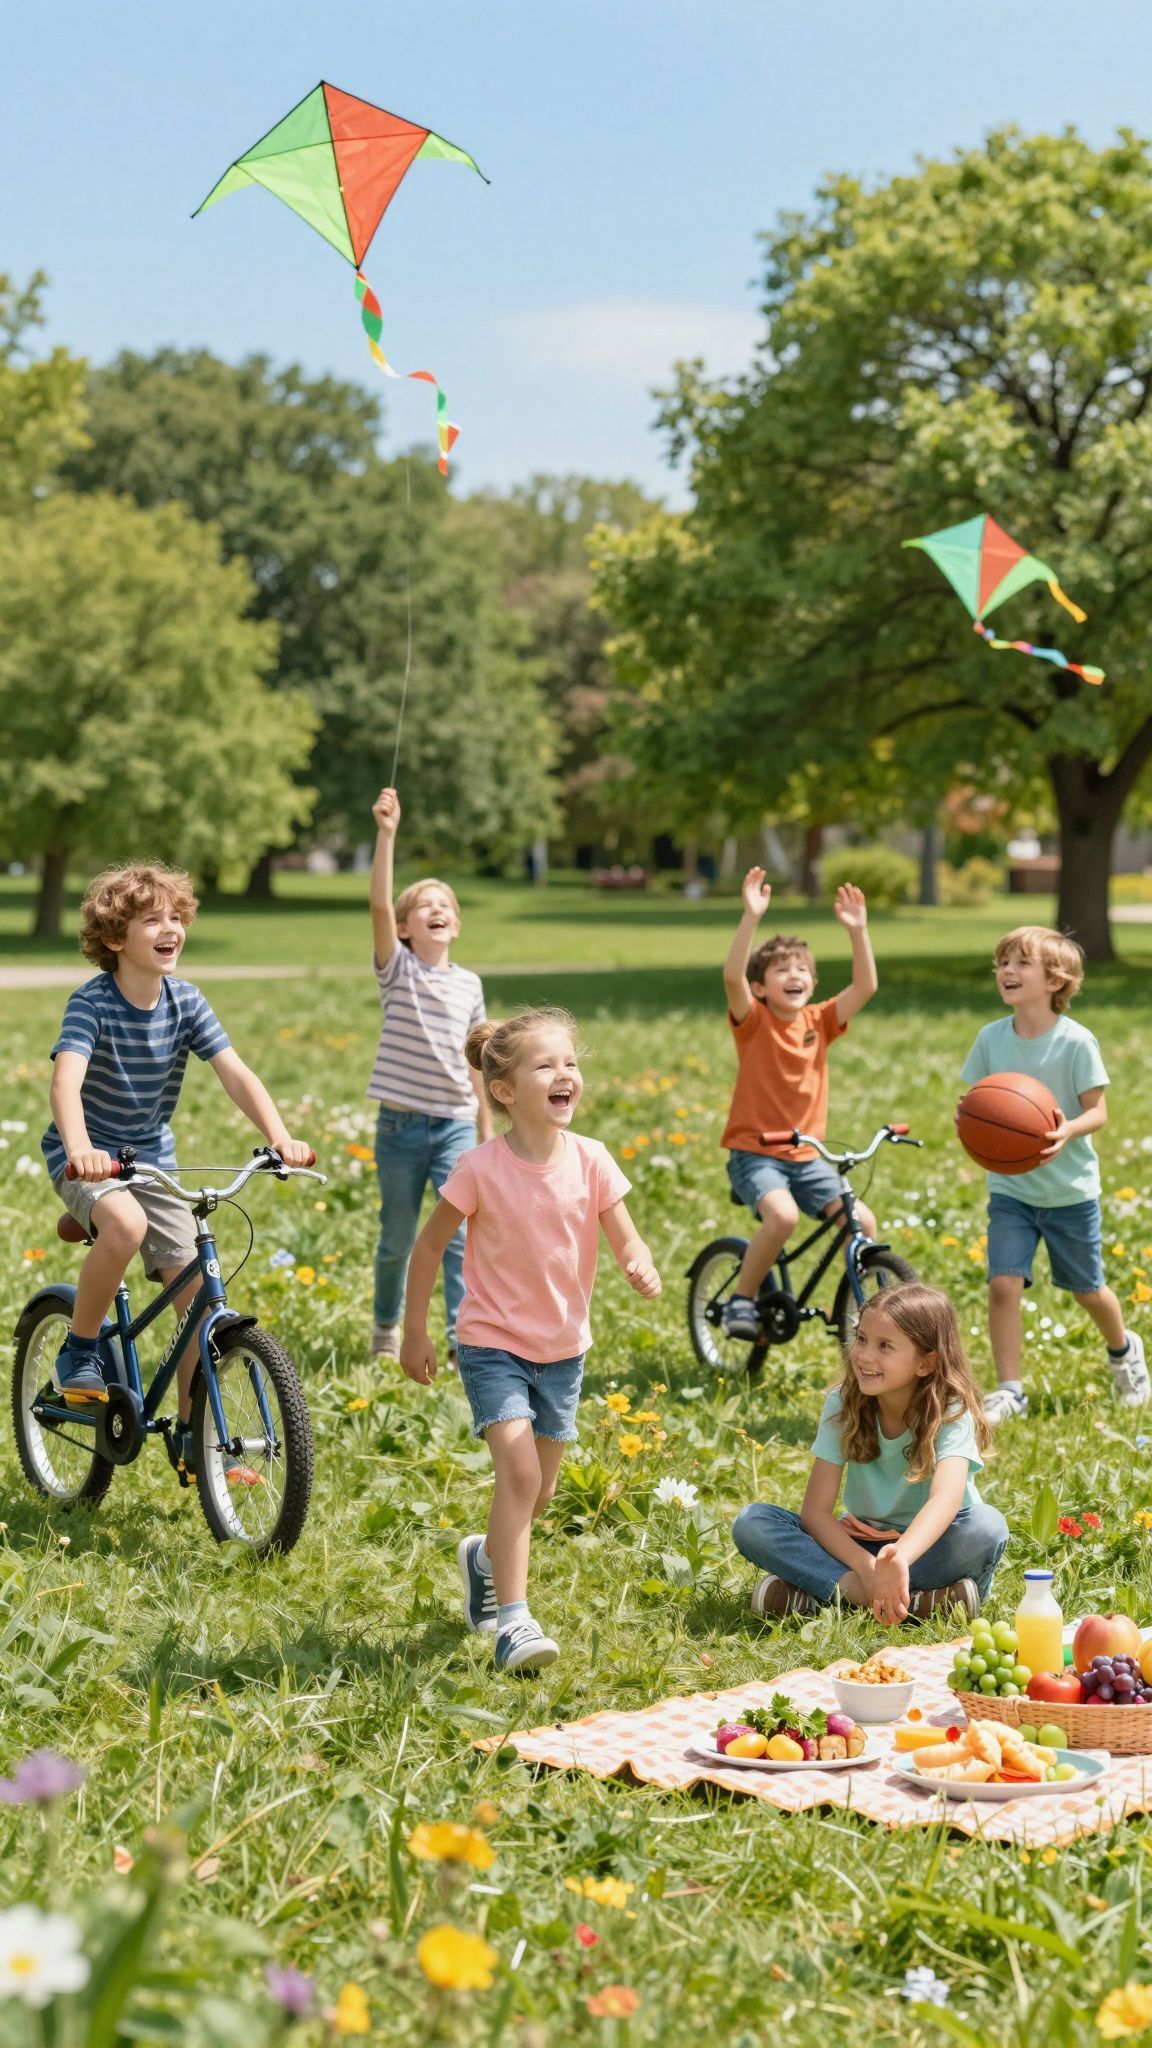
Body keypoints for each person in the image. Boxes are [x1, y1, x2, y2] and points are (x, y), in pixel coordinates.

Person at [400, 1008, 661, 1674]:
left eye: (570, 1063)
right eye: (546, 1065)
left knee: (539, 1495)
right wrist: (416, 1330)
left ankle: (485, 1559)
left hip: (564, 1350)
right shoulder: (481, 1167)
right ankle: (513, 1622)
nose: (565, 1073)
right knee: (517, 1477)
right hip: (493, 1344)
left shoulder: (594, 1160)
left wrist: (637, 1259)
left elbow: (624, 1232)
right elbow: (429, 1247)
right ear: (506, 1092)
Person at [41, 863, 312, 1475]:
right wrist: (81, 1149)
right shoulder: (93, 1002)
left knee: (196, 1296)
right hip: (87, 1155)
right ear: (114, 938)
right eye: (151, 920)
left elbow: (235, 1073)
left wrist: (280, 1137)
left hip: (151, 1158)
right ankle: (79, 1351)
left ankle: (198, 1442)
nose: (171, 929)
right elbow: (67, 1081)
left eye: (176, 917)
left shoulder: (185, 1000)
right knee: (126, 1228)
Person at [960, 923, 1149, 1422]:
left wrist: (1068, 1131)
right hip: (1011, 1190)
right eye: (1003, 962)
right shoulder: (990, 1039)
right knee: (1003, 1284)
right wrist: (973, 1116)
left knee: (1088, 1290)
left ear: (1055, 979)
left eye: (1022, 963)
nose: (1007, 971)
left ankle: (1124, 1350)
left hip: (1069, 1192)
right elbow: (981, 1103)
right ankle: (1010, 1389)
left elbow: (1099, 1112)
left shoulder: (1076, 1042)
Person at [731, 1283, 1007, 1623]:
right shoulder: (843, 1403)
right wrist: (870, 1570)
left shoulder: (951, 1411)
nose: (864, 1355)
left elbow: (945, 1502)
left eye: (885, 1346)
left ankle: (822, 1596)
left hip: (928, 1548)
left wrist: (898, 1561)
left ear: (926, 1363)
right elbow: (815, 1513)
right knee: (753, 1522)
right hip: (858, 1547)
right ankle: (910, 1602)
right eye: (861, 1338)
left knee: (987, 1526)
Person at [720, 866, 878, 1339]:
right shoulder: (755, 1020)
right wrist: (750, 917)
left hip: (807, 1157)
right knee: (784, 1217)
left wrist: (858, 931)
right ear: (762, 987)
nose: (796, 975)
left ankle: (851, 1308)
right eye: (782, 969)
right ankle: (740, 1300)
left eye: (803, 970)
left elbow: (865, 987)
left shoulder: (820, 1020)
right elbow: (732, 976)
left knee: (863, 1221)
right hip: (755, 1155)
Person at [367, 788, 491, 1364]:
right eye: (423, 905)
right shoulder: (399, 970)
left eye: (445, 904)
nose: (437, 909)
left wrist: (488, 1137)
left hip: (456, 1128)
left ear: (456, 926)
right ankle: (388, 1328)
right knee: (396, 1241)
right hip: (399, 1128)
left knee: (460, 1240)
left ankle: (460, 1338)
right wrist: (388, 833)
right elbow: (376, 907)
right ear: (404, 928)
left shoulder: (470, 984)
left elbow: (480, 1064)